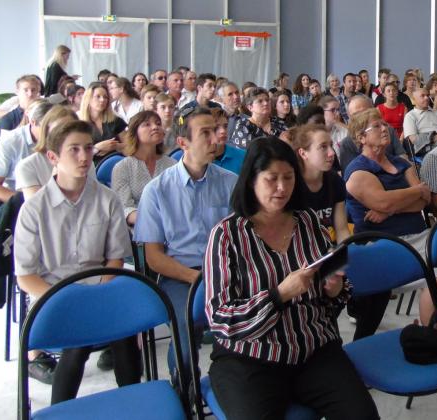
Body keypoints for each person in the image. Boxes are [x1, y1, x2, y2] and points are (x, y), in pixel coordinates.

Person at [204, 138, 378, 420]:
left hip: (313, 348)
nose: (282, 188)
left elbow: (338, 290)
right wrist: (279, 295)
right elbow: (220, 318)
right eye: (271, 179)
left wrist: (334, 290)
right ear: (251, 180)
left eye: (288, 177)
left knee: (362, 415)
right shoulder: (226, 235)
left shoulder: (309, 222)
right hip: (251, 357)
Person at [14, 120, 141, 404]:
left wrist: (98, 293)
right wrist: (71, 299)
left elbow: (115, 259)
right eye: (74, 150)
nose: (84, 157)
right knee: (79, 339)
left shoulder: (106, 199)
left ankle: (132, 400)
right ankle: (61, 409)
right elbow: (26, 276)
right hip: (52, 295)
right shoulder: (34, 209)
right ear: (53, 157)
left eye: (88, 148)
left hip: (99, 287)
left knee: (125, 329)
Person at [135, 108, 238, 383]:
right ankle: (183, 384)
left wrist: (221, 276)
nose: (216, 138)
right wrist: (198, 279)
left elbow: (240, 237)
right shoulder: (157, 191)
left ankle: (237, 380)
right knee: (186, 323)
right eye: (205, 133)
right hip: (180, 275)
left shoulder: (230, 183)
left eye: (216, 130)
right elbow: (154, 257)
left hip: (225, 271)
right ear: (183, 143)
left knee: (256, 314)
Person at [344, 109, 437, 335]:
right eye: (376, 126)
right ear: (361, 137)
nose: (385, 128)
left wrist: (389, 210)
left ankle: (433, 333)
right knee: (376, 302)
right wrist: (416, 190)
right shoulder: (358, 170)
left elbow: (422, 202)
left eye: (384, 124)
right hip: (381, 243)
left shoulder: (400, 162)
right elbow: (385, 201)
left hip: (418, 237)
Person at [111, 111, 176, 226]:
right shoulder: (122, 168)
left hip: (172, 225)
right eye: (147, 124)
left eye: (158, 123)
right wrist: (155, 220)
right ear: (135, 132)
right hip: (138, 227)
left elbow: (179, 201)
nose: (155, 127)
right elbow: (125, 208)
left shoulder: (172, 165)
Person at [289, 124, 350, 242]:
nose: (332, 153)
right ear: (303, 153)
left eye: (331, 145)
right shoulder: (291, 184)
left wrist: (345, 251)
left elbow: (342, 230)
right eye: (323, 147)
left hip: (329, 246)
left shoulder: (335, 181)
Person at [15, 105, 85, 199]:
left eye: (71, 130)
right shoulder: (27, 167)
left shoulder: (84, 160)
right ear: (46, 132)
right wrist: (56, 182)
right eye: (58, 130)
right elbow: (36, 206)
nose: (65, 135)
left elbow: (93, 200)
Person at [79, 82, 128, 159]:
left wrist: (115, 146)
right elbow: (78, 153)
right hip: (91, 164)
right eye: (98, 96)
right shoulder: (79, 124)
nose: (102, 100)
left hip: (117, 161)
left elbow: (129, 145)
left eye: (105, 97)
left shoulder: (115, 121)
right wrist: (97, 148)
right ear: (88, 98)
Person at [403, 87, 437, 157]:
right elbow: (413, 139)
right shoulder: (410, 116)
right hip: (426, 149)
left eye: (428, 95)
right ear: (414, 99)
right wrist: (433, 138)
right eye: (422, 96)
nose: (426, 98)